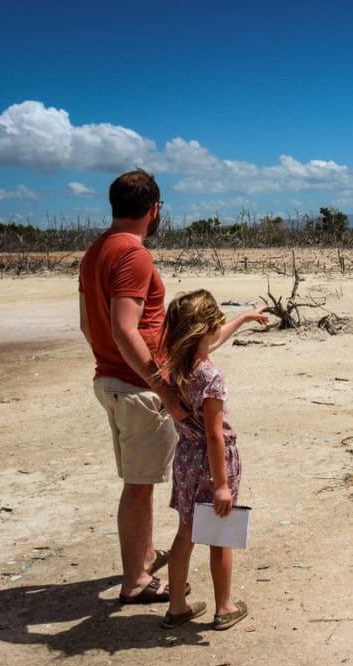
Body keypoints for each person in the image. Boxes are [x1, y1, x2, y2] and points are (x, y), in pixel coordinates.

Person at [79, 169, 188, 604]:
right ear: (154, 209)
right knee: (140, 485)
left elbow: (90, 324)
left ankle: (144, 553)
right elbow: (126, 328)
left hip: (111, 380)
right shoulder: (134, 254)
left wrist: (109, 362)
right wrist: (161, 384)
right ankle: (136, 581)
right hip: (136, 386)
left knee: (138, 478)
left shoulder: (95, 251)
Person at [157, 290, 267, 630]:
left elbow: (215, 340)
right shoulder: (210, 376)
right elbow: (215, 436)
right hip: (212, 462)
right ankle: (224, 607)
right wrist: (222, 485)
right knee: (220, 534)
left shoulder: (178, 366)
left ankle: (176, 607)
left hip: (186, 458)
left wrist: (246, 317)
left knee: (185, 533)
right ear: (205, 329)